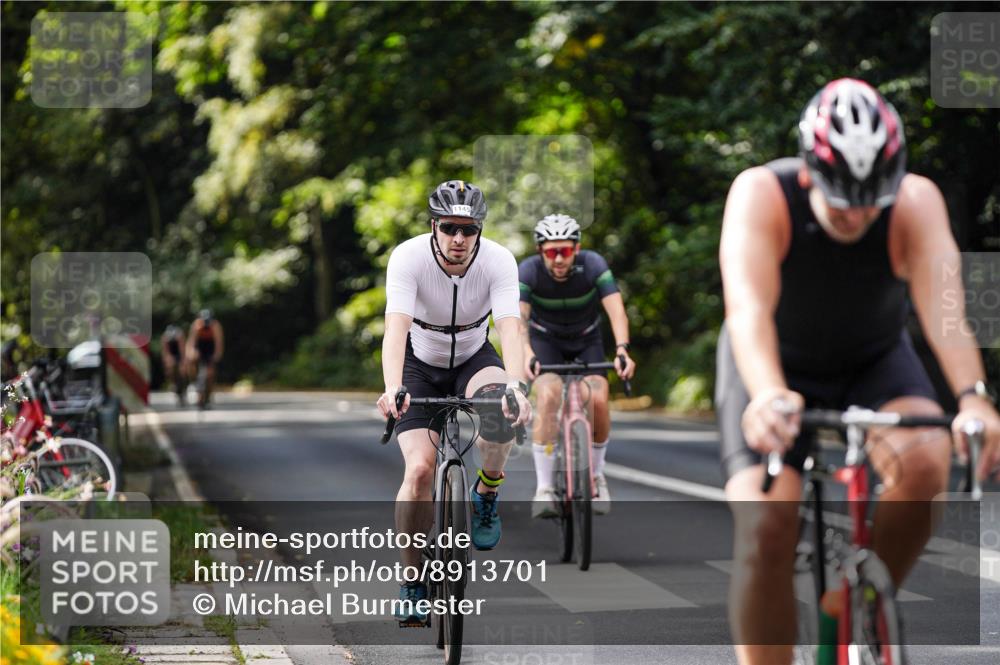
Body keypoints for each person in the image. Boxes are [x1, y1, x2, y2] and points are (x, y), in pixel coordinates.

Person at [716, 78, 1000, 665]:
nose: (859, 212)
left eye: (873, 197)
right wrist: (768, 394)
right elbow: (748, 310)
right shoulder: (761, 194)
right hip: (775, 364)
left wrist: (974, 399)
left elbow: (947, 317)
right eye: (842, 197)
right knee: (766, 526)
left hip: (873, 360)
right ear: (808, 174)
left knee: (927, 458)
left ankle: (854, 604)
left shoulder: (915, 202)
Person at [376, 179, 532, 624]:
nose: (459, 239)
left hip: (472, 354)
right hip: (418, 362)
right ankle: (411, 583)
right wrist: (392, 387)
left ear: (480, 230)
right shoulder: (407, 257)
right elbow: (396, 327)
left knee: (501, 417)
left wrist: (517, 386)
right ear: (434, 226)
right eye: (450, 228)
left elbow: (509, 327)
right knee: (420, 468)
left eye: (469, 229)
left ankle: (486, 492)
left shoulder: (498, 260)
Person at [518, 214, 635, 518]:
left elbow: (617, 311)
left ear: (577, 249)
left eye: (566, 251)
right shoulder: (528, 271)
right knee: (548, 395)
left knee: (597, 397)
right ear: (540, 250)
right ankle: (544, 488)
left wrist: (622, 349)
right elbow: (519, 321)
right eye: (551, 252)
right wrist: (527, 353)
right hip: (546, 342)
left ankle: (595, 476)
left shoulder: (593, 264)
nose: (558, 259)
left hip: (586, 340)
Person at [186, 309, 224, 409]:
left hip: (210, 348)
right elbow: (191, 341)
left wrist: (217, 354)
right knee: (193, 362)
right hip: (200, 347)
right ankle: (194, 383)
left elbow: (218, 342)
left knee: (210, 373)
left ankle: (208, 395)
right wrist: (191, 353)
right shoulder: (196, 325)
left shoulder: (215, 326)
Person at [160, 325, 187, 405]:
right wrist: (167, 364)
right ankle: (173, 383)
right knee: (170, 368)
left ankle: (183, 387)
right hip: (171, 353)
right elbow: (165, 351)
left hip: (178, 353)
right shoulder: (165, 337)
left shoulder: (179, 336)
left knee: (181, 371)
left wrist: (183, 363)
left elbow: (182, 350)